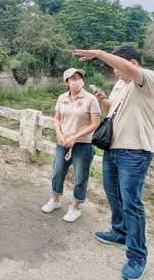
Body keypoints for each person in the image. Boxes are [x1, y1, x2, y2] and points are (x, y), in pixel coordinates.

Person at [74, 46, 154, 280]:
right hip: (113, 148)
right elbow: (113, 110)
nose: (115, 72)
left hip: (135, 152)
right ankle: (119, 231)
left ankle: (137, 256)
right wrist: (104, 101)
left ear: (132, 63)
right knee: (113, 195)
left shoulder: (149, 79)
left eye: (117, 67)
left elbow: (128, 70)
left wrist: (100, 53)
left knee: (131, 203)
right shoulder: (121, 84)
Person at [41, 68, 101, 222]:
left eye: (79, 77)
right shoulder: (62, 98)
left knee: (80, 176)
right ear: (66, 82)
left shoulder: (90, 99)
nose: (76, 81)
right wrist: (60, 135)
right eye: (72, 78)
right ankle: (55, 200)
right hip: (63, 143)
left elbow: (95, 123)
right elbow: (57, 118)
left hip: (83, 145)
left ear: (83, 81)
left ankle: (75, 207)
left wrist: (75, 137)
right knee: (57, 171)